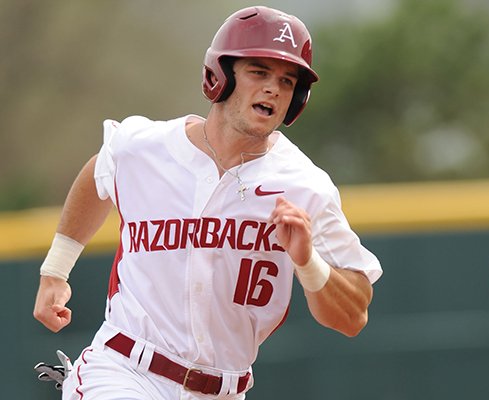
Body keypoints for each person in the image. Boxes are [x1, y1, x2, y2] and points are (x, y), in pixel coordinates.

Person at [32, 6, 382, 399]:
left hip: (225, 389)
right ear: (220, 77)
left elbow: (354, 316)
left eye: (287, 80)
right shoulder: (146, 147)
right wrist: (55, 271)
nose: (274, 89)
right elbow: (100, 170)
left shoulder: (305, 186)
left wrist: (308, 262)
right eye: (258, 72)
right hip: (126, 369)